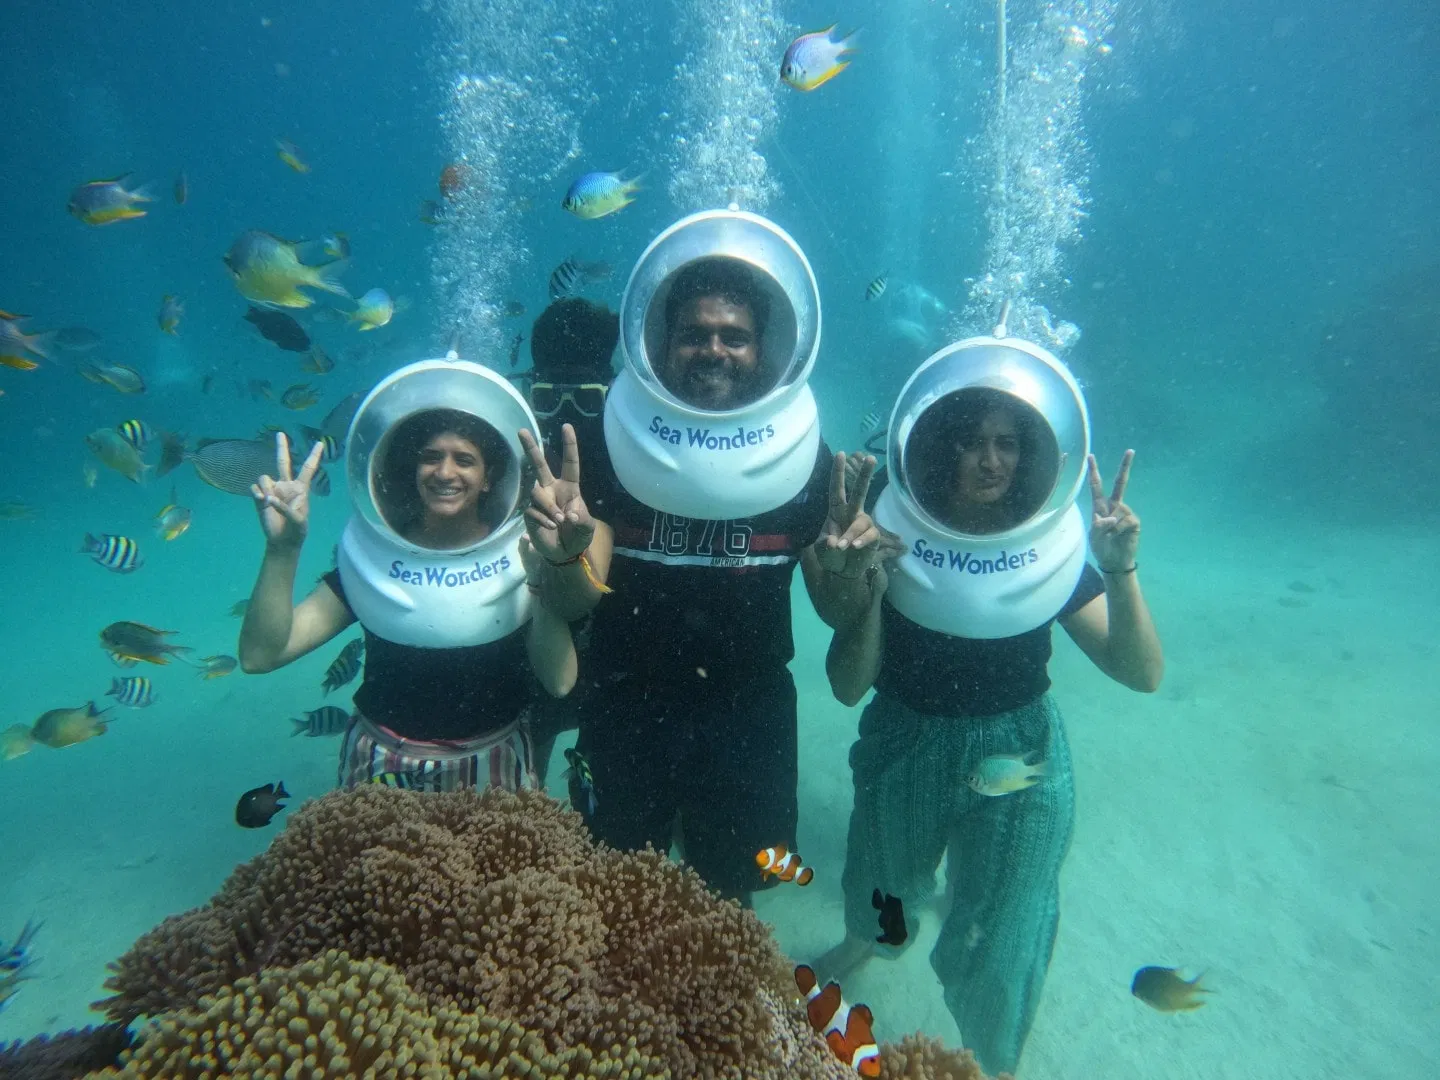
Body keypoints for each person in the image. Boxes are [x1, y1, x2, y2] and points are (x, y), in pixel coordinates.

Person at [813, 389, 1164, 1076]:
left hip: (1020, 745)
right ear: (942, 447)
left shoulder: (1038, 539)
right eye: (974, 441)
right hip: (905, 733)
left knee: (1008, 924)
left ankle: (994, 1062)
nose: (991, 460)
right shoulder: (890, 523)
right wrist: (868, 584)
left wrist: (1119, 568)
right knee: (885, 880)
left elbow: (1140, 671)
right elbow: (848, 685)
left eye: (1009, 443)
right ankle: (871, 942)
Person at [522, 256, 889, 904]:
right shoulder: (610, 448)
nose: (713, 348)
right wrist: (563, 555)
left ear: (764, 349)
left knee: (727, 900)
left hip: (748, 715)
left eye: (734, 335)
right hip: (625, 706)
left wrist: (855, 584)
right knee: (612, 895)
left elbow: (837, 626)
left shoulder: (805, 461)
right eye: (694, 333)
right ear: (661, 345)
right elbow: (582, 595)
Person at [237, 412, 578, 791]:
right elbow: (261, 655)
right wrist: (282, 548)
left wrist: (540, 577)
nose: (444, 472)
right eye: (431, 457)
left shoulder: (519, 553)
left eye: (464, 459)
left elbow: (560, 681)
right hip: (382, 761)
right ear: (414, 469)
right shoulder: (376, 558)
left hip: (495, 758)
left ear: (488, 480)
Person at [519, 298, 620, 784]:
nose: (566, 419)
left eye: (587, 401)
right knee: (527, 770)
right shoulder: (511, 451)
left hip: (615, 656)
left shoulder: (629, 457)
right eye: (547, 399)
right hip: (530, 647)